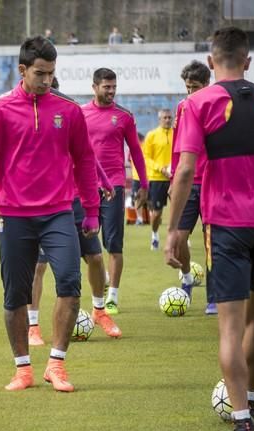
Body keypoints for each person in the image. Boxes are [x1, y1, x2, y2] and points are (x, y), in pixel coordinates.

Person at [165, 27, 254, 431]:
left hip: (227, 225)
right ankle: (250, 399)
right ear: (249, 61)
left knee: (230, 325)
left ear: (210, 61)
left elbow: (185, 170)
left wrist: (173, 230)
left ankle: (241, 420)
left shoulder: (197, 104)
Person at [0, 36, 100, 392]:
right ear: (22, 70)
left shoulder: (68, 111)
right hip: (14, 217)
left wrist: (91, 211)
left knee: (70, 284)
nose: (46, 80)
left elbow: (85, 161)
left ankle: (57, 364)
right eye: (40, 73)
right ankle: (23, 369)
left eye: (51, 74)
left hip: (58, 214)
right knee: (15, 296)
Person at [28, 76, 121, 345]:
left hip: (77, 199)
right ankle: (33, 325)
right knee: (39, 266)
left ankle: (100, 311)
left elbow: (86, 154)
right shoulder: (30, 121)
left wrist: (103, 181)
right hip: (47, 203)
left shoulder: (67, 115)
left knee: (94, 257)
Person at [82, 68, 149, 315]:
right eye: (106, 87)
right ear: (95, 87)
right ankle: (99, 286)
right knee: (88, 245)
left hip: (116, 186)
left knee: (114, 245)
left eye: (113, 87)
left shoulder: (123, 116)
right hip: (86, 186)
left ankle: (112, 297)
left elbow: (136, 152)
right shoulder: (80, 114)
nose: (111, 91)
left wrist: (144, 183)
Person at [170, 60, 215, 314]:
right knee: (178, 240)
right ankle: (187, 278)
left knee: (212, 243)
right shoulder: (182, 107)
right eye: (187, 87)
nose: (190, 92)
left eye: (195, 87)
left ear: (207, 84)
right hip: (187, 184)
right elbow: (177, 145)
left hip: (211, 182)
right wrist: (173, 180)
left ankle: (214, 297)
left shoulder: (217, 106)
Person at [143, 109, 174, 251]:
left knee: (181, 210)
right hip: (157, 179)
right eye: (165, 118)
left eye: (169, 117)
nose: (167, 120)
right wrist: (161, 169)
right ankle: (154, 234)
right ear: (159, 119)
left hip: (175, 178)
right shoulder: (152, 135)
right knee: (157, 213)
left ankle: (181, 238)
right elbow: (146, 158)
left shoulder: (177, 134)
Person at [130, 132, 148, 225]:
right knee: (137, 198)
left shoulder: (145, 146)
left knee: (139, 198)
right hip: (137, 177)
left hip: (143, 177)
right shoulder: (133, 148)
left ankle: (142, 218)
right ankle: (140, 218)